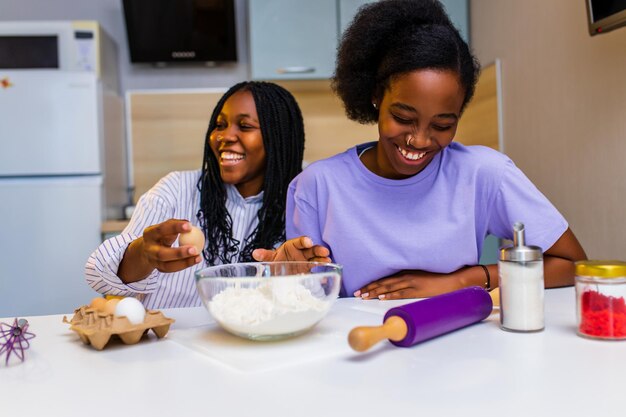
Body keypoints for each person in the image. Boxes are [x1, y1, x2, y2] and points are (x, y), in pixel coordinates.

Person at [254, 0, 586, 300]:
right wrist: (286, 277)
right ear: (375, 97)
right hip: (358, 352)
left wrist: (465, 280)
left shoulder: (485, 173)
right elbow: (306, 297)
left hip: (460, 350)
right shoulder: (316, 185)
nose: (420, 140)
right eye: (403, 117)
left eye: (442, 125)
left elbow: (572, 264)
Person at [85, 81, 327, 309]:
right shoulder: (176, 190)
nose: (224, 136)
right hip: (166, 348)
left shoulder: (302, 203)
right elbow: (100, 277)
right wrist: (142, 255)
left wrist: (291, 278)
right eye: (220, 125)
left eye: (244, 126)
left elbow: (320, 300)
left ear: (279, 138)